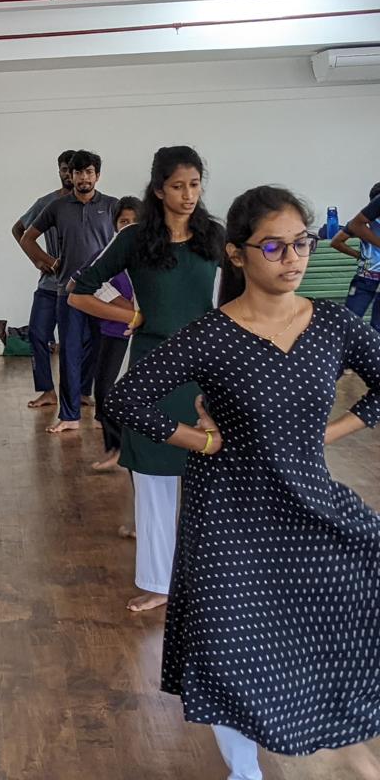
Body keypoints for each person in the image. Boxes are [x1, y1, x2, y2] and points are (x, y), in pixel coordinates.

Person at [104, 185, 380, 780]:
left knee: (351, 595)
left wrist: (325, 435)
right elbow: (129, 397)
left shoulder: (332, 324)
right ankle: (244, 769)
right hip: (229, 513)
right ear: (237, 255)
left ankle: (328, 731)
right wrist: (201, 440)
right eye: (275, 246)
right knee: (230, 644)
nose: (294, 259)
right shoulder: (213, 334)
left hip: (306, 499)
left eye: (301, 244)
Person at [70, 146, 224, 612]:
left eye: (195, 185)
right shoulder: (135, 238)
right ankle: (160, 581)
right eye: (178, 186)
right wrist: (130, 313)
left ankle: (211, 580)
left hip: (208, 366)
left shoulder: (214, 237)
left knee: (210, 475)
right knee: (155, 476)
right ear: (158, 190)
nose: (188, 195)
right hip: (155, 366)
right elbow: (80, 291)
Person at [20, 150, 118, 434]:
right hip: (68, 292)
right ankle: (70, 415)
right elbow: (27, 236)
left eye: (89, 172)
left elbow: (127, 238)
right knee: (70, 353)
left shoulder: (112, 206)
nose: (83, 177)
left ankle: (105, 415)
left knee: (102, 355)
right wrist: (49, 262)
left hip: (105, 293)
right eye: (78, 172)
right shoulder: (57, 207)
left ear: (97, 175)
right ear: (70, 176)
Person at [79, 195, 141, 472]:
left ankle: (127, 449)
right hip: (113, 332)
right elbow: (83, 285)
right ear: (115, 225)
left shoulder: (151, 258)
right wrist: (125, 309)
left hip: (140, 337)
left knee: (130, 396)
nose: (129, 227)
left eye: (134, 222)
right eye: (123, 222)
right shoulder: (106, 255)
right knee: (103, 392)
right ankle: (114, 447)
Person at [13, 151, 75, 409]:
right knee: (38, 334)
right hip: (50, 285)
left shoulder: (96, 206)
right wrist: (40, 260)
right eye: (64, 169)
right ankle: (48, 392)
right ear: (59, 171)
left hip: (81, 289)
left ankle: (79, 394)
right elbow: (19, 230)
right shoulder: (47, 203)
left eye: (74, 170)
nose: (69, 174)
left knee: (78, 342)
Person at [334, 181, 380, 332]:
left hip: (365, 276)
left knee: (350, 322)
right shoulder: (360, 223)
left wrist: (359, 256)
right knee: (376, 327)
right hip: (367, 279)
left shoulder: (363, 223)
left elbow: (337, 242)